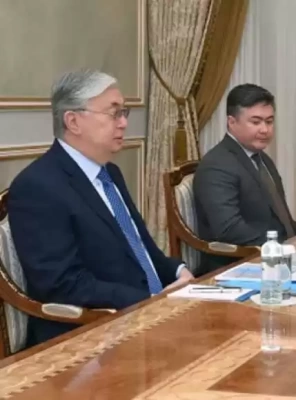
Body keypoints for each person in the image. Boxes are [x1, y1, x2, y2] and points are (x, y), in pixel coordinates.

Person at [8, 69, 194, 348]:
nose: (123, 123)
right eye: (114, 113)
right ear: (73, 121)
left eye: (124, 113)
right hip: (89, 337)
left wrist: (178, 271)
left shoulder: (110, 174)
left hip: (148, 316)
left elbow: (141, 249)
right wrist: (150, 301)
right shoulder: (38, 186)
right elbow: (63, 285)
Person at [193, 84, 296, 276]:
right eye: (256, 122)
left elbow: (281, 218)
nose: (265, 130)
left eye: (269, 122)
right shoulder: (217, 165)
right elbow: (229, 229)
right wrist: (281, 249)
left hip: (276, 258)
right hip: (239, 266)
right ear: (232, 122)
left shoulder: (261, 158)